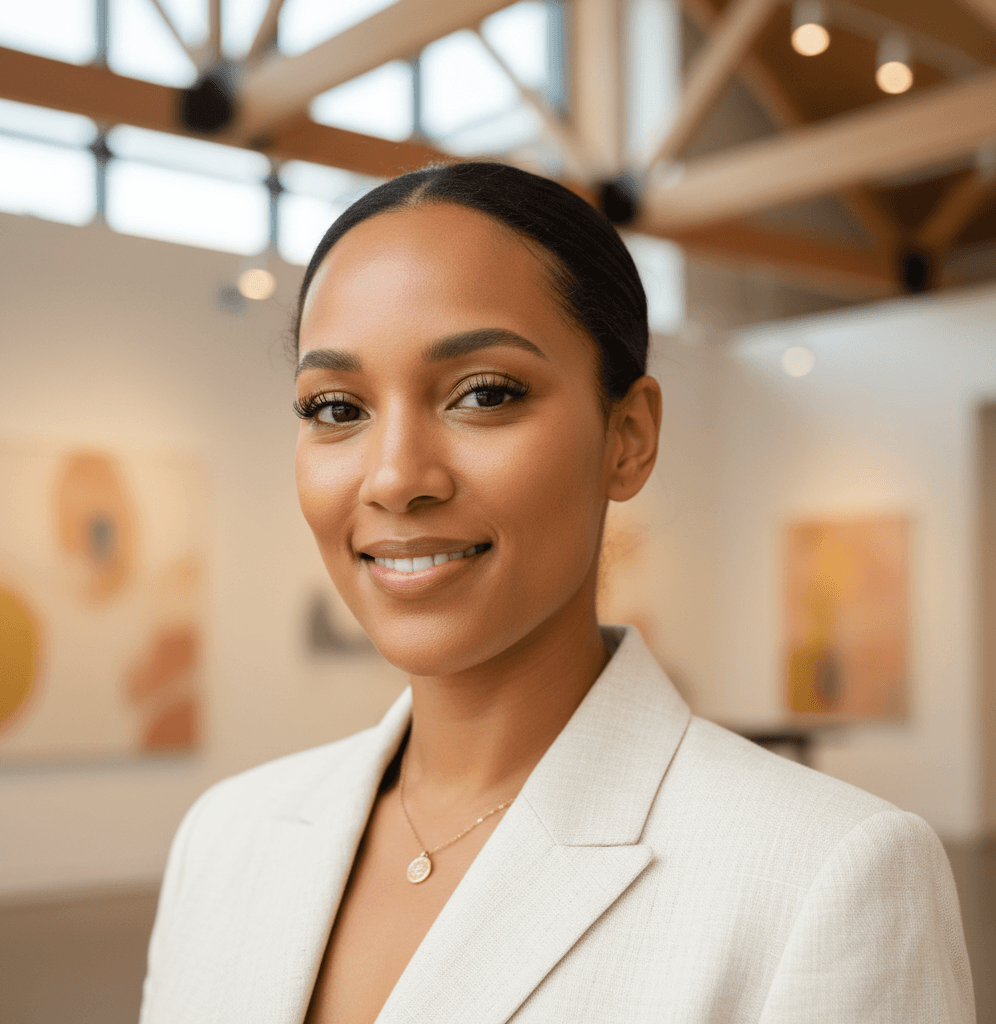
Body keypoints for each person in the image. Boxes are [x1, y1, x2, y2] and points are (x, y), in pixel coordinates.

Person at [140, 162, 974, 1024]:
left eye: (485, 394)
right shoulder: (226, 837)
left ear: (628, 437)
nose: (394, 479)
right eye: (336, 408)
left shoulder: (826, 877)